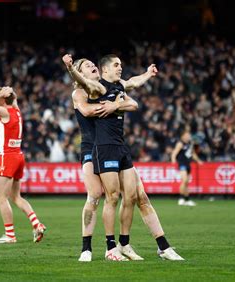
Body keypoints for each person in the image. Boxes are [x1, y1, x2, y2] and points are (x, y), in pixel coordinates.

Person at [63, 54, 183, 261]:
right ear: (80, 74)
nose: (92, 66)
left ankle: (147, 245)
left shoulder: (111, 86)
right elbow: (88, 110)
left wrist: (143, 77)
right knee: (95, 195)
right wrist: (112, 104)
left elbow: (132, 91)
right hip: (93, 147)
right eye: (87, 66)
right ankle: (88, 248)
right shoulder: (81, 92)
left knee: (138, 195)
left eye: (93, 64)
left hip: (115, 145)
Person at [0, 86, 46, 244]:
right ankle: (37, 224)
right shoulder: (17, 111)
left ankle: (10, 235)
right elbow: (12, 100)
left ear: (3, 99)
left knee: (1, 197)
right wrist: (9, 92)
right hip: (18, 156)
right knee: (16, 197)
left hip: (7, 157)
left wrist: (0, 93)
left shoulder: (5, 112)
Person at [171, 130, 203, 206]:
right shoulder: (180, 143)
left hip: (188, 164)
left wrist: (198, 161)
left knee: (186, 183)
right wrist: (173, 160)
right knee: (184, 180)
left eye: (189, 135)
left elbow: (192, 153)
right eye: (187, 135)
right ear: (183, 136)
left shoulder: (190, 143)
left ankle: (187, 199)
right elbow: (174, 152)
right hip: (182, 164)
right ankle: (181, 198)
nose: (188, 136)